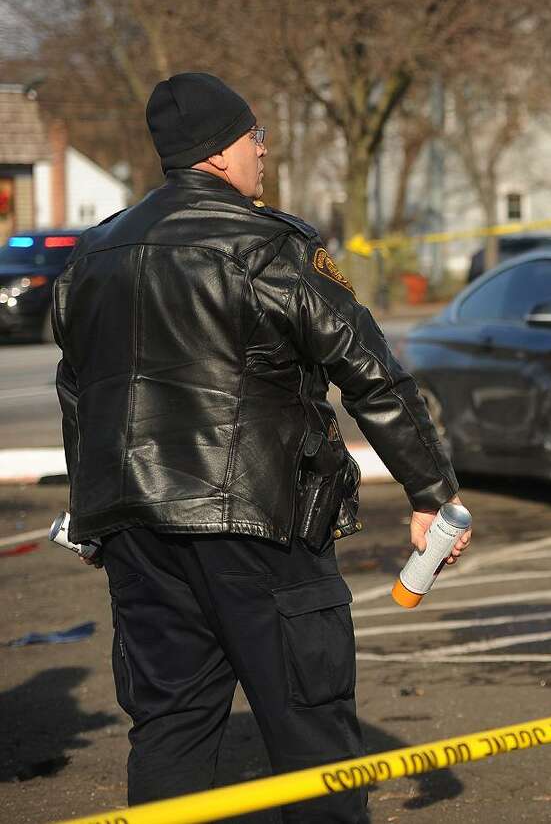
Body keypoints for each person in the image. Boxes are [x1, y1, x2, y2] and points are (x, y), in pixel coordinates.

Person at [52, 71, 469, 822]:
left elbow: (79, 390)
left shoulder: (93, 255)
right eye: (253, 136)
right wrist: (431, 493)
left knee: (171, 728)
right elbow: (370, 372)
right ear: (217, 151)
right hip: (265, 524)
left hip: (137, 531)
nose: (263, 150)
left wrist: (89, 515)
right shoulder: (272, 245)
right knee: (312, 733)